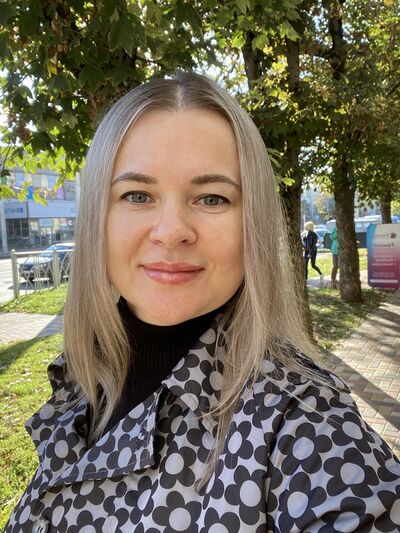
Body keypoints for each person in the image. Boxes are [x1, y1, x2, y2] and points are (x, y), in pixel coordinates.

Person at [5, 72, 399, 532]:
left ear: (253, 222)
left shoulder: (305, 423)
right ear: (98, 217)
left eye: (212, 198)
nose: (172, 231)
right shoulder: (81, 378)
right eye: (137, 195)